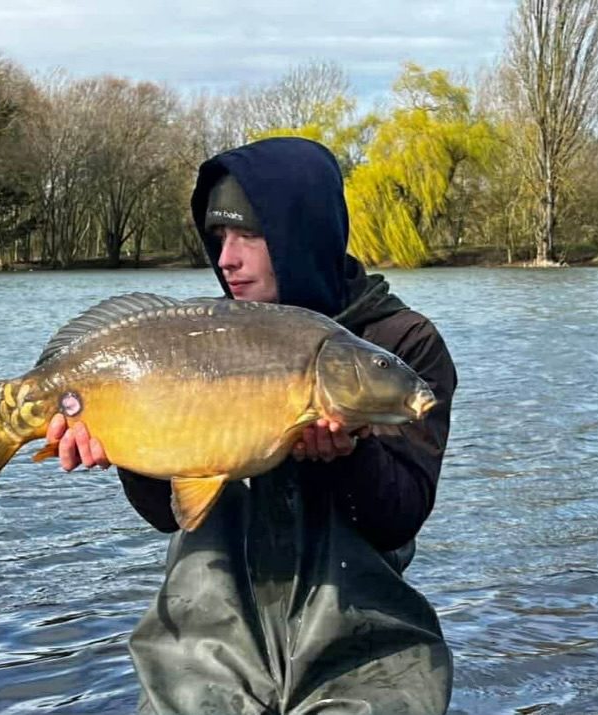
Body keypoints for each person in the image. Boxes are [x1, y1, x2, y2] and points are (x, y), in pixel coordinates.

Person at [47, 137, 457, 715]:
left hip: (362, 654)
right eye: (218, 239)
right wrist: (122, 449)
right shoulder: (190, 337)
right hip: (204, 650)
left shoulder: (399, 347)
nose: (226, 259)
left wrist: (348, 456)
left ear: (301, 233)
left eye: (249, 236)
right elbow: (169, 513)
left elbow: (398, 516)